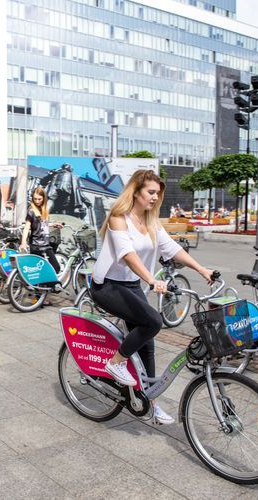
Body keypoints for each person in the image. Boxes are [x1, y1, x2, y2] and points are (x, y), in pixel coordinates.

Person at [89, 169, 214, 425]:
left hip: (132, 285)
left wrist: (201, 269)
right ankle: (116, 362)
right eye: (151, 192)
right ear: (135, 191)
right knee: (153, 321)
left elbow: (173, 249)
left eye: (158, 193)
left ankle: (151, 403)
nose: (155, 198)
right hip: (108, 287)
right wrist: (151, 279)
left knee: (147, 345)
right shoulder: (118, 218)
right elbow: (127, 254)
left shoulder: (151, 222)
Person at [20, 186, 63, 274]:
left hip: (45, 244)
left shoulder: (44, 210)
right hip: (37, 246)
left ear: (44, 198)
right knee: (55, 268)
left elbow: (41, 225)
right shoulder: (31, 211)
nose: (37, 201)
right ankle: (48, 285)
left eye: (39, 199)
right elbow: (27, 228)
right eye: (35, 199)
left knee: (41, 270)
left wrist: (53, 224)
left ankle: (42, 286)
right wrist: (23, 242)